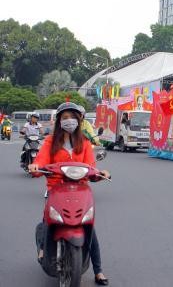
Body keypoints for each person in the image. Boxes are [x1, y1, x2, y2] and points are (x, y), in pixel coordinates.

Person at [28, 102, 110, 285]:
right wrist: (35, 166)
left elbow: (91, 168)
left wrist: (100, 174)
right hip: (56, 188)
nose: (69, 121)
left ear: (79, 121)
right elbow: (41, 160)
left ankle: (98, 270)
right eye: (65, 118)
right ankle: (42, 248)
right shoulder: (50, 141)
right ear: (59, 121)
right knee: (48, 220)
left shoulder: (86, 143)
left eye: (73, 117)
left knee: (89, 228)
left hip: (80, 190)